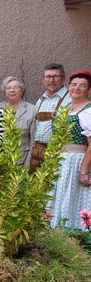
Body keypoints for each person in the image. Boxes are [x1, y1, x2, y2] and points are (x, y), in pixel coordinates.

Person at [49, 70, 91, 229]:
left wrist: (84, 170)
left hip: (77, 161)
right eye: (74, 84)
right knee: (58, 197)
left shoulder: (88, 110)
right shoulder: (66, 107)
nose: (77, 88)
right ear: (68, 86)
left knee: (72, 198)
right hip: (61, 160)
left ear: (88, 89)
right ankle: (56, 233)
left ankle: (74, 235)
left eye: (82, 85)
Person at [30, 63, 71, 172]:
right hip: (38, 152)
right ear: (43, 79)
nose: (51, 80)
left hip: (58, 152)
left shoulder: (71, 99)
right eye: (48, 76)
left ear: (63, 78)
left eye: (56, 76)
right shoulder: (41, 100)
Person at [0, 76, 36, 167]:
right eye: (8, 88)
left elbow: (33, 140)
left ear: (22, 91)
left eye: (16, 87)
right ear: (4, 91)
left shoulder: (32, 110)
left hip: (21, 159)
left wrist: (28, 164)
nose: (12, 90)